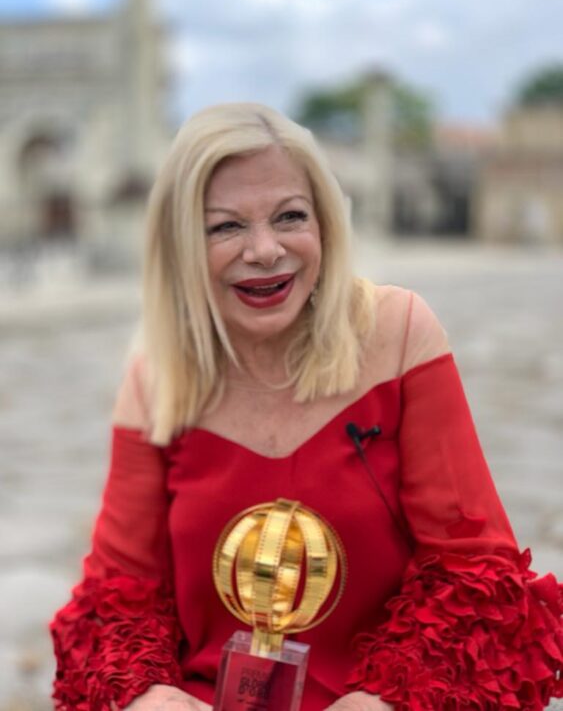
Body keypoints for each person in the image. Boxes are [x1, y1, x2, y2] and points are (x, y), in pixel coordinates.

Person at [50, 103, 562, 711]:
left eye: (290, 216)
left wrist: (385, 697)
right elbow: (116, 593)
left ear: (325, 224)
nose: (266, 250)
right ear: (181, 245)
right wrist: (146, 694)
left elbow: (477, 571)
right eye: (226, 227)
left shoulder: (398, 333)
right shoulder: (159, 377)